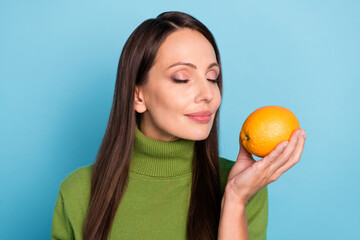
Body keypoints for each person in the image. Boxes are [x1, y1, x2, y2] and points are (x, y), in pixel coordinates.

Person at [51, 11, 306, 240]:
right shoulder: (79, 192)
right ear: (138, 96)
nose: (208, 94)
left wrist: (235, 200)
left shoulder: (244, 185)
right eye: (182, 79)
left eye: (212, 77)